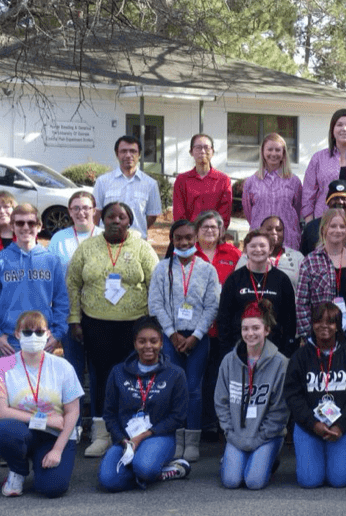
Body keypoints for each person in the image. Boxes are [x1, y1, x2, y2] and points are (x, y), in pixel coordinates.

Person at [66, 200, 160, 458]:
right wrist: (75, 319)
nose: (116, 221)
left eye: (121, 217)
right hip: (95, 324)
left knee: (134, 379)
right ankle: (102, 434)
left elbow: (156, 283)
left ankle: (133, 431)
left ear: (129, 221)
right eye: (110, 217)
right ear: (101, 220)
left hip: (134, 326)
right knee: (100, 378)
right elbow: (73, 283)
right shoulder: (87, 248)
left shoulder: (142, 248)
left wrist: (151, 324)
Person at [0, 311, 83, 498]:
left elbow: (73, 412)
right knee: (1, 431)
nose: (34, 337)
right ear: (17, 334)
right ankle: (18, 469)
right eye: (27, 332)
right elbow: (0, 412)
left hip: (55, 436)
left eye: (39, 332)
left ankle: (43, 460)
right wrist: (44, 419)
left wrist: (57, 450)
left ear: (48, 334)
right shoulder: (1, 365)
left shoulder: (63, 366)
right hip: (23, 432)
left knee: (52, 488)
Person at [148, 220, 220, 462]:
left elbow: (212, 306)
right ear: (172, 240)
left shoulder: (207, 269)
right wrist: (171, 333)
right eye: (178, 238)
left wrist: (195, 336)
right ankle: (176, 438)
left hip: (198, 337)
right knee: (174, 388)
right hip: (171, 336)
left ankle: (192, 439)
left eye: (189, 237)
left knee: (193, 388)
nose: (184, 242)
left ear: (196, 239)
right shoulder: (162, 268)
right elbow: (155, 304)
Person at [98, 317, 191, 491]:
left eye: (153, 341)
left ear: (161, 343)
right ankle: (161, 472)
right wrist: (122, 439)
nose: (148, 346)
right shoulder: (118, 372)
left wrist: (141, 437)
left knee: (145, 468)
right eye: (142, 341)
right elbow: (109, 413)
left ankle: (149, 470)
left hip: (158, 436)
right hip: (125, 439)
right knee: (107, 480)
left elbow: (178, 417)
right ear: (135, 344)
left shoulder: (176, 374)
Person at [284, 302, 346, 489]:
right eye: (319, 321)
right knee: (309, 481)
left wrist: (342, 425)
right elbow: (293, 395)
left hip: (341, 426)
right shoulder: (300, 356)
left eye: (331, 322)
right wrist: (313, 424)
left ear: (338, 326)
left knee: (340, 480)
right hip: (309, 425)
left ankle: (339, 459)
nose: (324, 326)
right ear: (312, 324)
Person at [215, 302, 290, 490]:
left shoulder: (281, 363)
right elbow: (221, 401)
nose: (250, 333)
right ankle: (232, 458)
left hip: (267, 435)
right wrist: (230, 433)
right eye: (245, 328)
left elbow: (280, 410)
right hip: (236, 435)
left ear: (267, 330)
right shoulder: (228, 361)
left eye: (256, 328)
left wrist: (259, 438)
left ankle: (269, 458)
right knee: (231, 481)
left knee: (254, 482)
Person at [0, 203, 68, 360]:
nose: (25, 227)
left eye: (31, 223)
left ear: (39, 226)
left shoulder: (51, 261)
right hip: (8, 341)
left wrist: (56, 334)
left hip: (41, 339)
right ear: (12, 226)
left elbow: (61, 301)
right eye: (20, 223)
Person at [48, 190, 102, 416]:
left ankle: (100, 422)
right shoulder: (59, 239)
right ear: (69, 212)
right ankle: (74, 422)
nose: (81, 212)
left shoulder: (103, 236)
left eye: (86, 208)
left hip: (99, 315)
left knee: (99, 370)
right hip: (69, 314)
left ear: (94, 210)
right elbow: (52, 277)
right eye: (76, 208)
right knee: (73, 369)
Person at [194, 209, 242, 440]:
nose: (210, 231)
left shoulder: (233, 254)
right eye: (205, 227)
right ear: (197, 231)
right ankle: (199, 423)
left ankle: (219, 423)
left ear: (222, 230)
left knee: (220, 376)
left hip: (223, 328)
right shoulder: (188, 253)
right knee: (198, 377)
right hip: (194, 328)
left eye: (214, 227)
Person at [295, 209, 346, 353]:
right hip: (321, 335)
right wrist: (308, 336)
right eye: (333, 226)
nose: (338, 230)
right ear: (324, 229)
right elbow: (301, 303)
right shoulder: (310, 261)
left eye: (342, 226)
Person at [218, 230, 298, 356]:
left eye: (262, 246)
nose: (258, 249)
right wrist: (227, 350)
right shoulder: (234, 279)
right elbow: (224, 317)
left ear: (271, 249)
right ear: (246, 249)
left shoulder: (282, 280)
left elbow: (289, 319)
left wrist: (285, 350)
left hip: (275, 350)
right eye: (253, 246)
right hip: (240, 348)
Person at [93, 135, 162, 239]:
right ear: (117, 154)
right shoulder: (103, 182)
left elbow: (152, 215)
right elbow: (96, 213)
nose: (128, 155)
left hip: (137, 242)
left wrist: (137, 229)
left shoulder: (150, 184)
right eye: (124, 151)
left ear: (139, 154)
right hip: (107, 242)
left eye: (133, 151)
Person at [243, 132, 303, 250]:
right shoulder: (251, 182)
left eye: (278, 150)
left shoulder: (294, 181)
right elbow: (250, 214)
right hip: (259, 242)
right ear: (263, 152)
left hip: (288, 241)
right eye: (270, 149)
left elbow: (298, 210)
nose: (273, 154)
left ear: (283, 153)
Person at [172, 133, 232, 230]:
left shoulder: (223, 180)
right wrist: (190, 234)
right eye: (198, 147)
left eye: (206, 147)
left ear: (212, 151)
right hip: (189, 237)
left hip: (214, 234)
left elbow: (224, 215)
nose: (202, 151)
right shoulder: (182, 180)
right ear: (191, 152)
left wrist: (214, 232)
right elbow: (179, 214)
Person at [237, 215, 304, 290]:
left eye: (279, 230)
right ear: (260, 231)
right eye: (269, 229)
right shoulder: (248, 257)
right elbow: (237, 285)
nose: (274, 232)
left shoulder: (297, 257)